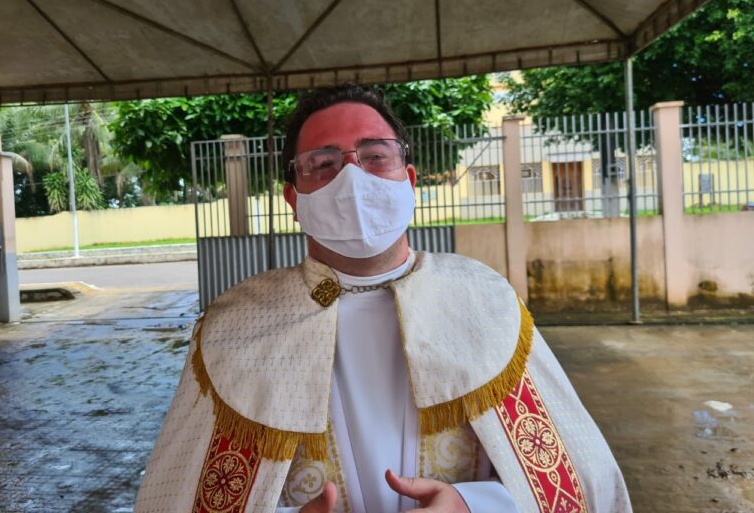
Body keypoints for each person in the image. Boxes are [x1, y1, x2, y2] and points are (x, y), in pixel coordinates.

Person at [135, 85, 632, 513]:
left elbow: (580, 479)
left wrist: (474, 505)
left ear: (409, 181)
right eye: (323, 164)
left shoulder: (483, 303)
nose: (352, 179)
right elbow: (181, 497)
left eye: (375, 156)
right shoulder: (238, 328)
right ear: (293, 201)